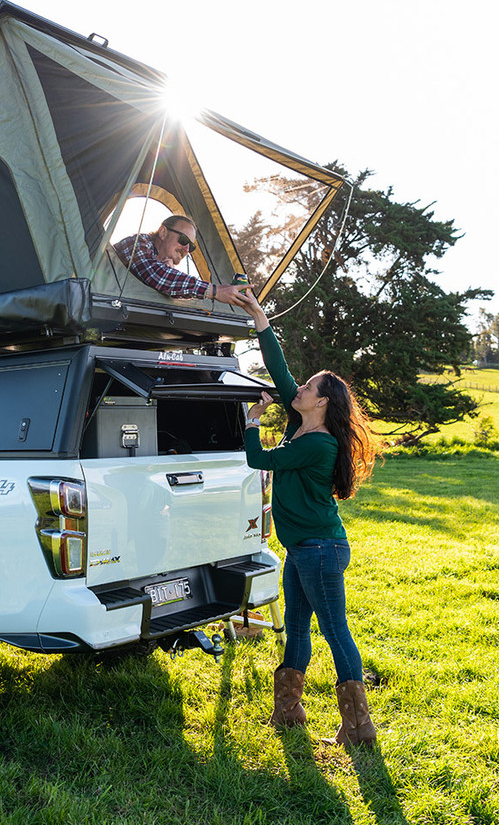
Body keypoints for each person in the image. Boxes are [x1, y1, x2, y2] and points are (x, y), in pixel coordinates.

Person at [240, 288, 381, 748]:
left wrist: (250, 422)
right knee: (297, 627)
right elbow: (279, 367)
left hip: (320, 549)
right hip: (303, 548)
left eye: (307, 389)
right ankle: (288, 712)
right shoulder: (302, 424)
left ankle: (358, 727)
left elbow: (261, 461)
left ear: (321, 402)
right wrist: (261, 317)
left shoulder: (316, 443)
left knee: (334, 629)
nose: (298, 389)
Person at [113, 214, 251, 306]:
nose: (186, 249)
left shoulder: (165, 270)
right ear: (163, 232)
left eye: (191, 246)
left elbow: (167, 282)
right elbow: (155, 275)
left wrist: (168, 271)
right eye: (183, 240)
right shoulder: (134, 244)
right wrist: (214, 291)